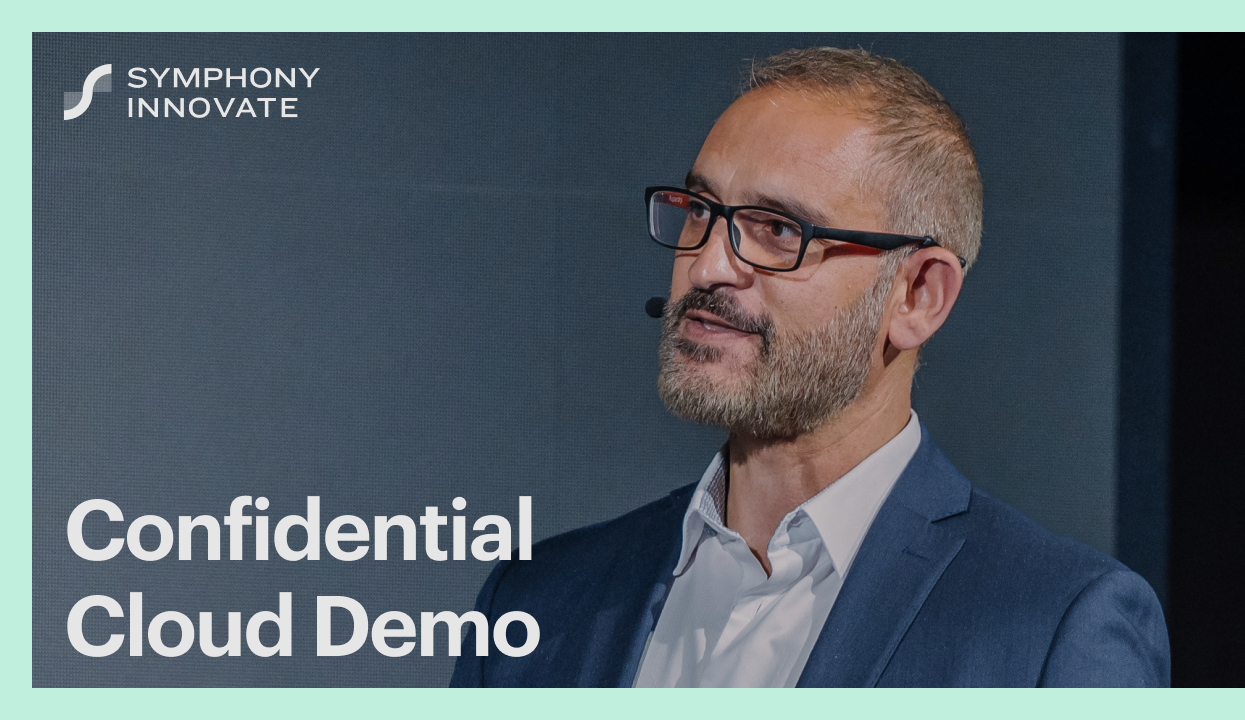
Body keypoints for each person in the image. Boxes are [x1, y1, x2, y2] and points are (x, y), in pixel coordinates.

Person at [450, 47, 1170, 688]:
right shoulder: (538, 601)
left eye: (777, 229)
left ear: (919, 295)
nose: (705, 265)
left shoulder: (1052, 628)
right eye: (700, 210)